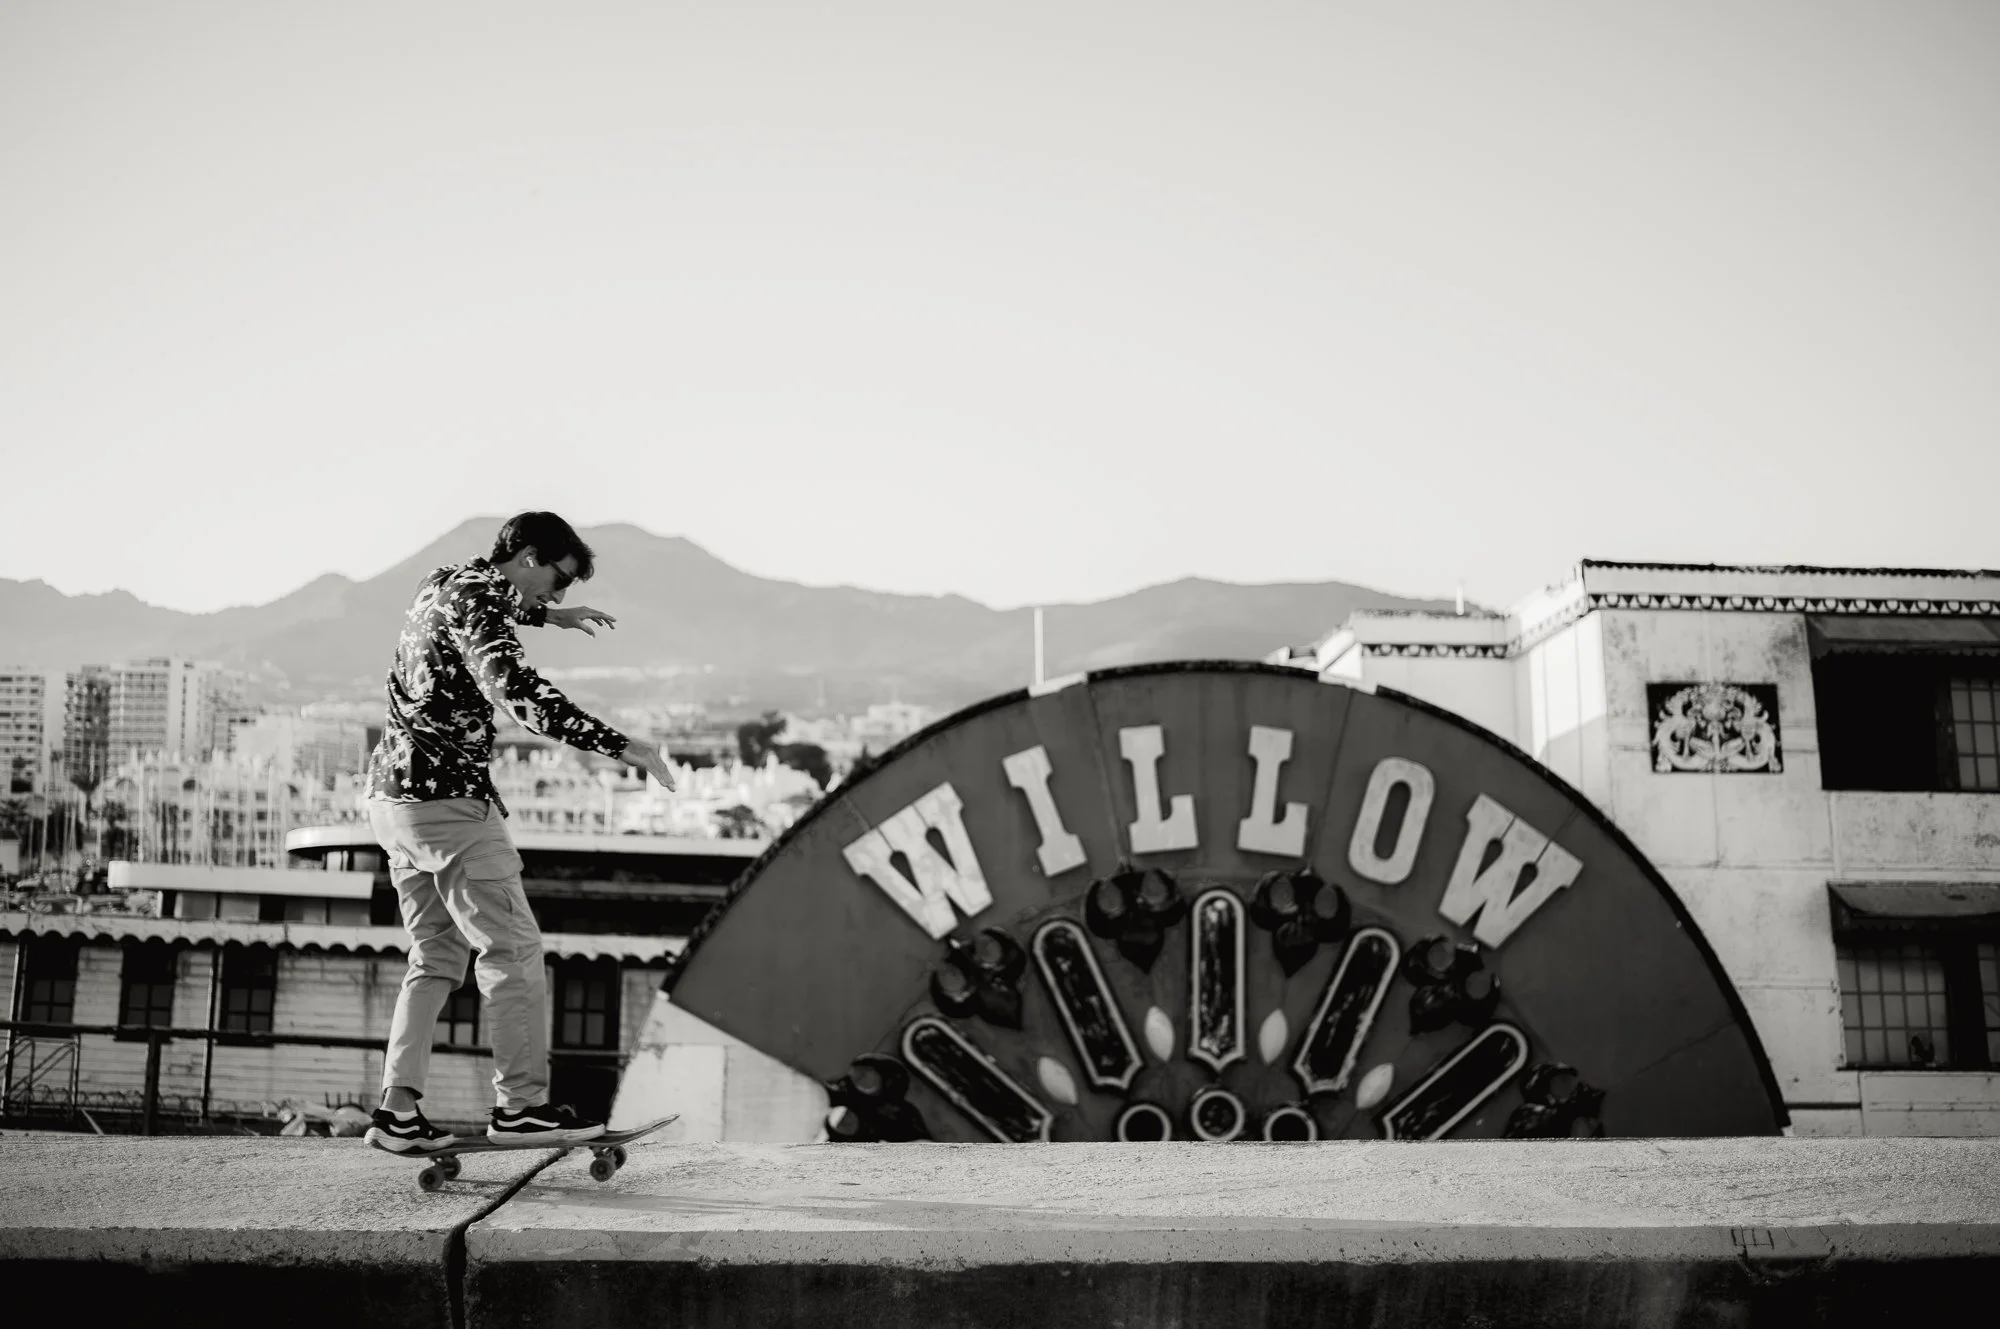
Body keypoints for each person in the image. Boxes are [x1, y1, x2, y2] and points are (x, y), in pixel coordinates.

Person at [362, 511, 678, 1154]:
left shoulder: (443, 580)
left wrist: (549, 617)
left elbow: (482, 605)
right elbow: (519, 695)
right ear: (530, 556)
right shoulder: (480, 600)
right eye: (556, 581)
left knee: (435, 959)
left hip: (391, 802)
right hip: (451, 807)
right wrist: (623, 746)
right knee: (512, 953)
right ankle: (522, 1106)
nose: (559, 595)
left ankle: (396, 1112)